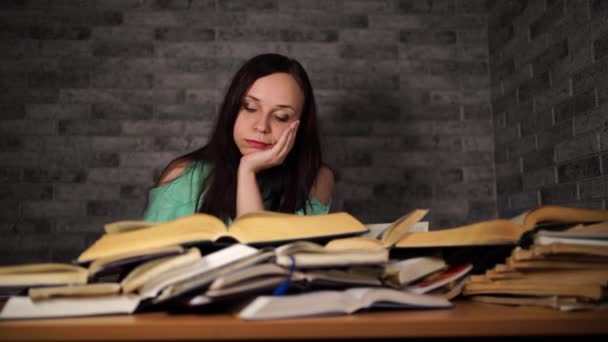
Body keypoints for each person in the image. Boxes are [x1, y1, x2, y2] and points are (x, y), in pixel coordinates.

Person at [143, 53, 335, 225]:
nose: (261, 126)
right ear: (233, 109)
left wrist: (247, 170)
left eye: (280, 117)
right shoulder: (183, 177)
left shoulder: (316, 179)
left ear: (300, 126)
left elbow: (263, 256)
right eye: (250, 108)